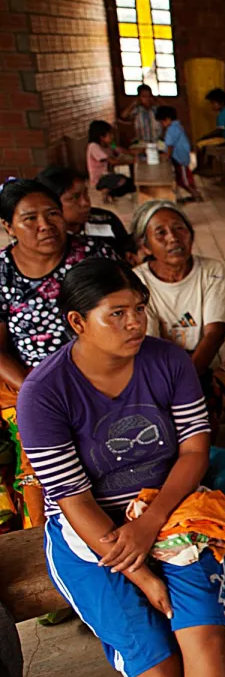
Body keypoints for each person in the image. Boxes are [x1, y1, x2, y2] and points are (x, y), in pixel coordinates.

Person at [16, 258, 225, 677]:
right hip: (89, 529)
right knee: (147, 650)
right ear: (77, 321)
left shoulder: (168, 362)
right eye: (116, 313)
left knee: (202, 632)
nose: (135, 322)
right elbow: (71, 497)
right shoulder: (44, 393)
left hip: (171, 507)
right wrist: (139, 573)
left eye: (139, 308)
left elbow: (196, 450)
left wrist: (150, 522)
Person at [0, 179, 115, 533]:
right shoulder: (1, 272)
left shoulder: (96, 256)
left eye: (52, 213)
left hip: (101, 371)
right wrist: (38, 389)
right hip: (26, 380)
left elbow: (122, 319)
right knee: (38, 454)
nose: (45, 225)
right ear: (8, 227)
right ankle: (44, 536)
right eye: (29, 218)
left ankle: (115, 522)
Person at [131, 201, 225, 424]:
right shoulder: (137, 280)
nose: (173, 238)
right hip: (161, 371)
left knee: (201, 403)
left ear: (191, 234)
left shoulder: (211, 271)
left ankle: (203, 457)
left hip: (211, 367)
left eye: (179, 228)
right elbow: (150, 343)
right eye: (160, 233)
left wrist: (185, 381)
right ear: (146, 246)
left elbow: (215, 333)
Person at [35, 165, 134, 258]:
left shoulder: (106, 220)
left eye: (86, 193)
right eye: (74, 198)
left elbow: (127, 254)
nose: (85, 202)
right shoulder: (45, 238)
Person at [156, 106, 201, 202]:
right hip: (180, 158)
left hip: (181, 159)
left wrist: (165, 156)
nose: (162, 124)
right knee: (183, 179)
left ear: (167, 120)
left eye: (162, 122)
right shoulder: (177, 126)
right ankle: (194, 194)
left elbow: (170, 147)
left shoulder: (172, 130)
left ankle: (196, 195)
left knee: (185, 181)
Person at [86, 120, 136, 200]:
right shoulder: (94, 147)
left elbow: (119, 149)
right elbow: (113, 161)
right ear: (101, 137)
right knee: (123, 182)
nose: (112, 136)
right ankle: (107, 190)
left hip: (109, 175)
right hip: (100, 179)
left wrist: (133, 154)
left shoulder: (108, 144)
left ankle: (110, 190)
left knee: (132, 185)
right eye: (110, 134)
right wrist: (131, 161)